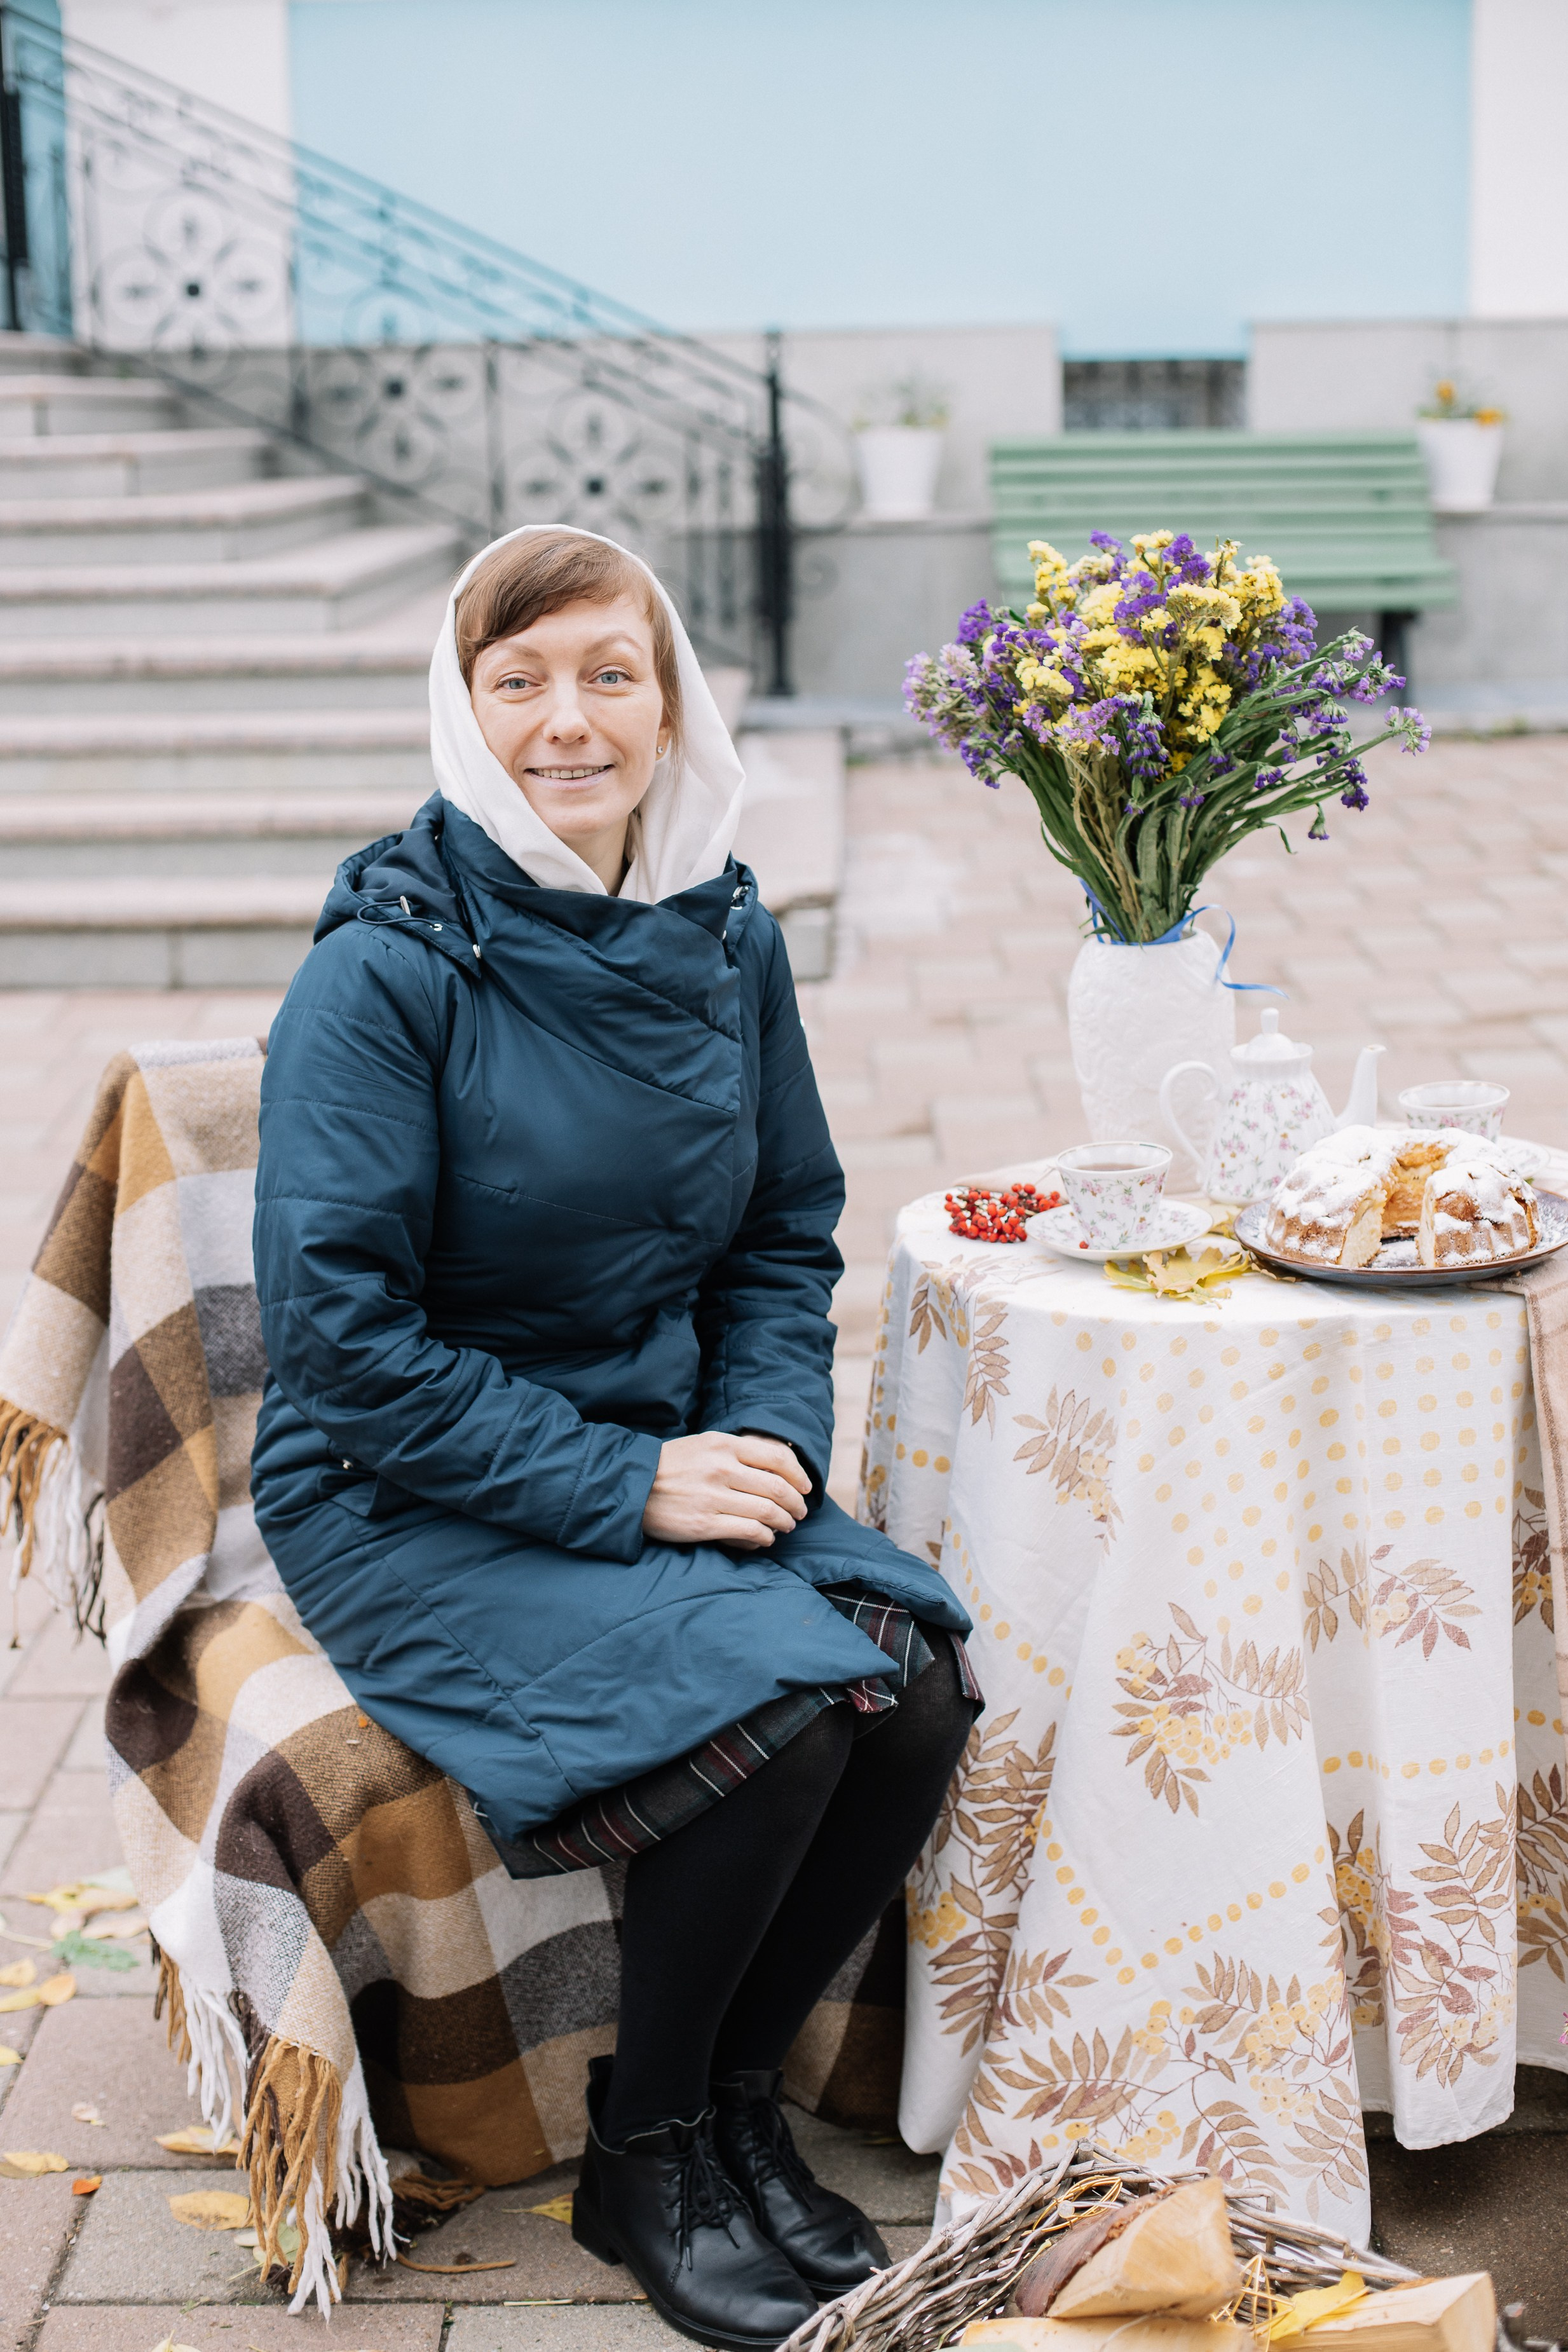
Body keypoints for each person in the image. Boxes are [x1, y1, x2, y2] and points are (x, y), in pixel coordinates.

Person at [250, 524, 979, 2352]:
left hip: (659, 1434)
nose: (564, 722)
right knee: (780, 1719)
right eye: (519, 680)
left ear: (671, 704)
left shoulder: (723, 932)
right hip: (409, 1484)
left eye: (607, 673)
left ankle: (731, 2108)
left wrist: (757, 1437)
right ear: (461, 701)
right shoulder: (389, 963)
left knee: (915, 1688)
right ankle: (639, 2156)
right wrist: (625, 1480)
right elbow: (341, 1342)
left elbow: (777, 1233)